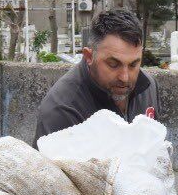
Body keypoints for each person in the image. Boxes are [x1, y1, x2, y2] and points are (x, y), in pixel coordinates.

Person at [34, 8, 158, 141]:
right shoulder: (61, 110)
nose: (125, 77)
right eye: (113, 64)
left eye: (133, 65)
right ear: (89, 56)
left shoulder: (149, 87)